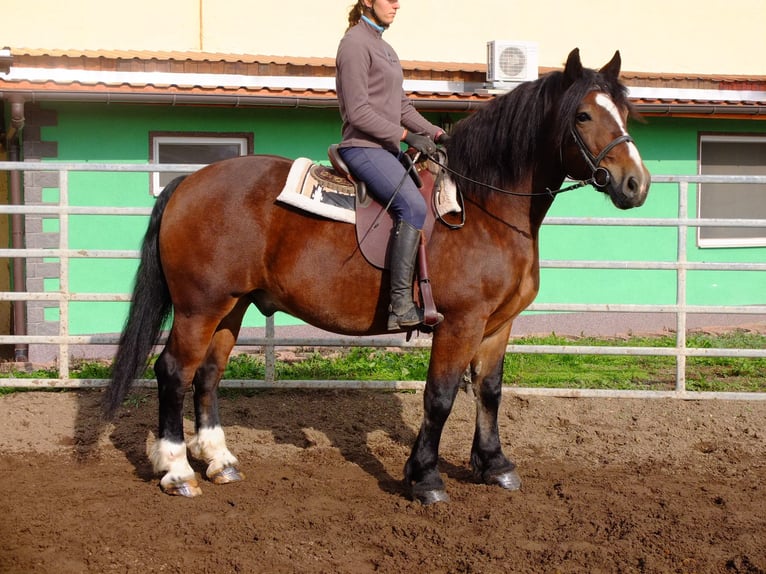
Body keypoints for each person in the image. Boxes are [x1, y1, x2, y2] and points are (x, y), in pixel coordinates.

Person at [335, 0, 447, 330]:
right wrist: (405, 136)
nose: (397, 4)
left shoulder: (385, 48)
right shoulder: (354, 44)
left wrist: (438, 134)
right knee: (412, 206)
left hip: (386, 150)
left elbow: (403, 107)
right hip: (363, 148)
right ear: (367, 1)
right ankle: (400, 304)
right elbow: (357, 113)